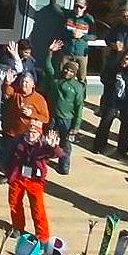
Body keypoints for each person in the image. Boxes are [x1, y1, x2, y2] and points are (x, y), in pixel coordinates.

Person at [6, 121, 63, 243]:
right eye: (29, 132)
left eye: (34, 132)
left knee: (38, 208)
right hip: (18, 176)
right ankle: (17, 227)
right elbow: (8, 155)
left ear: (39, 134)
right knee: (14, 203)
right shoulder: (19, 141)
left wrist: (53, 146)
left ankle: (42, 235)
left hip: (35, 180)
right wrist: (9, 173)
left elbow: (58, 154)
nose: (31, 134)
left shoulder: (44, 144)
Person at [41, 39, 88, 173]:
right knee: (48, 140)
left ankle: (64, 165)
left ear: (75, 73)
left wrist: (76, 126)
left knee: (65, 144)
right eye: (66, 69)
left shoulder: (78, 87)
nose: (68, 72)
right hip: (53, 116)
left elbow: (79, 107)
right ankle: (43, 161)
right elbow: (48, 66)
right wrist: (50, 52)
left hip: (67, 119)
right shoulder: (56, 79)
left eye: (71, 71)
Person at [94, 43, 128, 161]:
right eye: (127, 56)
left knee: (126, 126)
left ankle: (122, 151)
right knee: (106, 122)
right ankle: (99, 146)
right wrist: (113, 81)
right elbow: (103, 78)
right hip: (113, 99)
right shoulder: (114, 66)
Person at [0, 67, 51, 173]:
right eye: (22, 81)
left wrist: (32, 114)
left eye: (27, 82)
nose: (24, 84)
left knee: (24, 160)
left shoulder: (39, 99)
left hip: (27, 136)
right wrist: (7, 83)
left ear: (33, 85)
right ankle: (7, 175)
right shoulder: (16, 92)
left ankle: (24, 177)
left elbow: (45, 118)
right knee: (7, 156)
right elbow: (7, 91)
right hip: (11, 132)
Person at [49, 0, 97, 82]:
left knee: (82, 78)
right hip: (67, 52)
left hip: (81, 54)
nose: (78, 9)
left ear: (85, 8)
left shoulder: (89, 19)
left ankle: (81, 92)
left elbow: (94, 36)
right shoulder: (68, 15)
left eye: (81, 7)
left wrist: (82, 36)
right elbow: (53, 7)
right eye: (76, 6)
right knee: (61, 75)